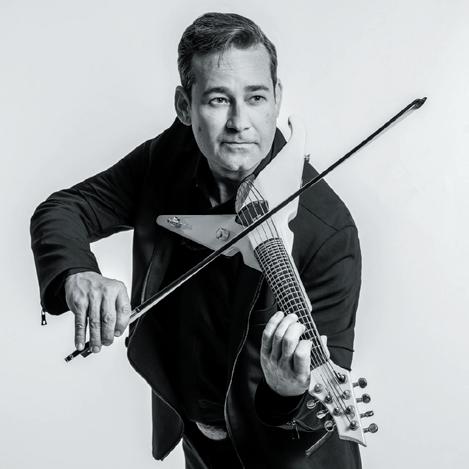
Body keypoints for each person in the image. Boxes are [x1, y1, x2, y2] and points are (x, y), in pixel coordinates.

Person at [30, 12, 362, 468]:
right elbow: (65, 210)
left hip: (287, 457)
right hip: (199, 446)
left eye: (256, 97)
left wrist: (287, 392)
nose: (240, 123)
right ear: (184, 107)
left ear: (277, 98)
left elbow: (327, 401)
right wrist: (77, 272)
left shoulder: (328, 231)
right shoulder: (169, 158)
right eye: (218, 100)